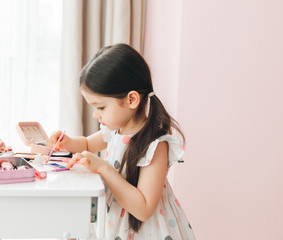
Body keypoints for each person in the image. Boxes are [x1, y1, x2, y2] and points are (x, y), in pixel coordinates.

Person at [48, 43, 195, 240]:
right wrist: (67, 142)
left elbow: (143, 209)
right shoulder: (115, 130)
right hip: (118, 226)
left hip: (149, 232)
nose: (95, 115)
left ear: (131, 100)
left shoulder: (155, 145)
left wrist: (104, 169)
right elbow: (87, 144)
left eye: (100, 107)